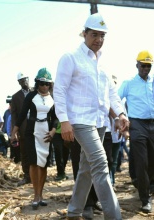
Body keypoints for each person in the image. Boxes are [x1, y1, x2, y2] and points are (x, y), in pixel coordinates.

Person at [53, 13, 129, 220]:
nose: (99, 40)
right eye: (94, 34)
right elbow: (59, 90)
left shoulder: (102, 64)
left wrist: (120, 113)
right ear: (84, 33)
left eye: (102, 36)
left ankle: (74, 211)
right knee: (100, 164)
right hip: (79, 121)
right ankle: (114, 216)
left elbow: (112, 93)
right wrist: (64, 120)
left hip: (99, 122)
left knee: (87, 169)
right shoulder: (70, 58)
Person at [11, 68, 57, 210]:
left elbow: (55, 118)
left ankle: (41, 194)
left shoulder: (53, 98)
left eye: (47, 84)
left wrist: (53, 131)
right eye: (41, 83)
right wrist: (14, 131)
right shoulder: (31, 96)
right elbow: (22, 115)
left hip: (46, 134)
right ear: (37, 83)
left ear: (50, 85)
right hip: (32, 132)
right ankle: (35, 195)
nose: (44, 86)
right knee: (33, 163)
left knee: (43, 164)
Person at [118, 50, 154, 213]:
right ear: (137, 65)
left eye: (149, 65)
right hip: (137, 124)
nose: (146, 68)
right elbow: (117, 100)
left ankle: (149, 186)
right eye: (143, 65)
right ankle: (145, 199)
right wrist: (122, 118)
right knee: (142, 161)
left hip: (152, 124)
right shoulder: (129, 83)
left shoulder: (153, 82)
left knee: (152, 161)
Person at [10, 72, 32, 186]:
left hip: (36, 127)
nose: (24, 82)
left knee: (37, 152)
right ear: (19, 83)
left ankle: (37, 175)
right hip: (23, 128)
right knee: (24, 153)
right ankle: (27, 176)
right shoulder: (16, 97)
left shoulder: (36, 92)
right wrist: (14, 131)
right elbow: (14, 116)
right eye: (22, 80)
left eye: (25, 79)